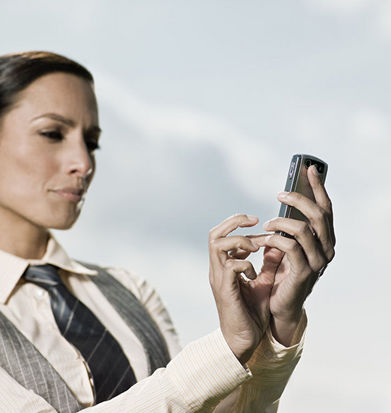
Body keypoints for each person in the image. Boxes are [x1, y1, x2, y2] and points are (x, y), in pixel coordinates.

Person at [0, 51, 336, 412]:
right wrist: (225, 349)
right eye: (52, 134)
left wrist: (272, 330)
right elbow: (186, 390)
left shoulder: (131, 291)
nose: (83, 163)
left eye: (92, 143)